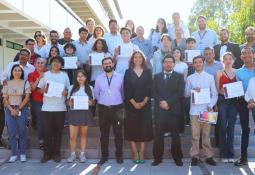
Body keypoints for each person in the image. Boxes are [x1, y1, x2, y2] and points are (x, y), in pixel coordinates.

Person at [185, 56, 218, 166]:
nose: (198, 64)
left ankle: (208, 156)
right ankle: (194, 156)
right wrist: (192, 90)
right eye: (196, 62)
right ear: (193, 65)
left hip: (207, 110)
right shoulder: (190, 78)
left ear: (203, 63)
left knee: (206, 135)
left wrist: (211, 105)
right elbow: (185, 94)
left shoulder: (210, 77)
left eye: (200, 62)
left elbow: (214, 94)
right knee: (195, 135)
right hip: (194, 110)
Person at [152, 55, 184, 166]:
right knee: (158, 136)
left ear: (174, 64)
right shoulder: (157, 77)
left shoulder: (179, 77)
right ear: (162, 63)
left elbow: (180, 93)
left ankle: (177, 158)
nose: (168, 64)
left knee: (175, 136)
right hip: (160, 111)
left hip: (174, 111)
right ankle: (157, 158)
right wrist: (162, 102)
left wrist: (168, 103)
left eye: (170, 62)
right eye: (166, 62)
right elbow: (154, 92)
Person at [38, 56, 70, 163]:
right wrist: (44, 90)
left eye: (59, 62)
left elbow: (68, 90)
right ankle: (47, 154)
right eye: (54, 62)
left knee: (58, 132)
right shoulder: (45, 74)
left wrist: (65, 93)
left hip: (60, 108)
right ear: (51, 63)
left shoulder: (64, 75)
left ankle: (56, 153)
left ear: (61, 65)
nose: (56, 64)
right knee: (47, 132)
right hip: (47, 108)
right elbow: (39, 90)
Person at [124, 51, 153, 164]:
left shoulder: (148, 72)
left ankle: (141, 152)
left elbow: (150, 88)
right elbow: (126, 89)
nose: (137, 59)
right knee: (131, 127)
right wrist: (134, 103)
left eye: (139, 57)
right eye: (135, 57)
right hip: (131, 105)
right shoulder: (128, 72)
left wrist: (144, 102)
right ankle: (134, 151)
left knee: (144, 128)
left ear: (143, 59)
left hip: (145, 104)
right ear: (132, 59)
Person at [94, 57, 124, 165]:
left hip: (118, 109)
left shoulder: (121, 77)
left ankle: (119, 155)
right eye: (105, 63)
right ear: (102, 66)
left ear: (113, 64)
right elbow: (96, 94)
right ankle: (104, 156)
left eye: (109, 63)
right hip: (104, 109)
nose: (107, 65)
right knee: (104, 134)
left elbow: (123, 92)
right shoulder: (98, 78)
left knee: (118, 133)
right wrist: (104, 101)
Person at [2, 64, 31, 162]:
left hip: (22, 109)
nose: (17, 72)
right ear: (12, 72)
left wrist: (18, 109)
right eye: (15, 70)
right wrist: (11, 109)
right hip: (9, 109)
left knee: (22, 131)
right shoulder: (7, 83)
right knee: (12, 133)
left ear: (22, 72)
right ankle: (14, 154)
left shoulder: (25, 82)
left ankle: (23, 153)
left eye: (19, 70)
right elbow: (5, 99)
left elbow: (27, 98)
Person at [66, 70, 95, 163]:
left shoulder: (90, 88)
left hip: (85, 113)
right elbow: (68, 101)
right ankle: (73, 154)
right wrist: (69, 103)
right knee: (72, 136)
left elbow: (93, 102)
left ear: (86, 77)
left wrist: (90, 103)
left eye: (82, 76)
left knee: (83, 135)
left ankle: (82, 154)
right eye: (78, 76)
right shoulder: (71, 87)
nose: (80, 78)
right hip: (74, 113)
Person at [215, 52, 238, 163]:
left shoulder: (237, 72)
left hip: (233, 102)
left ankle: (231, 154)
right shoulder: (219, 73)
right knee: (223, 127)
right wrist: (222, 91)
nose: (228, 61)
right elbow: (216, 89)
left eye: (230, 59)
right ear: (222, 61)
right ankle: (223, 154)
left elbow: (239, 88)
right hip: (222, 101)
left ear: (233, 60)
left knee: (231, 128)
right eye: (226, 59)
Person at [234, 47, 255, 166]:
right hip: (243, 102)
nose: (246, 55)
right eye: (244, 53)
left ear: (253, 54)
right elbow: (238, 89)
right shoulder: (238, 72)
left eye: (249, 52)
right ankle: (243, 158)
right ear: (241, 57)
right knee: (245, 130)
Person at [28, 58, 47, 149]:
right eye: (38, 63)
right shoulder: (31, 75)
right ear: (35, 64)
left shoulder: (49, 73)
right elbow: (32, 88)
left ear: (45, 64)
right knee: (40, 120)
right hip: (37, 101)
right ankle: (41, 140)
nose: (40, 64)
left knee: (47, 120)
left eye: (42, 63)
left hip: (49, 101)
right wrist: (39, 78)